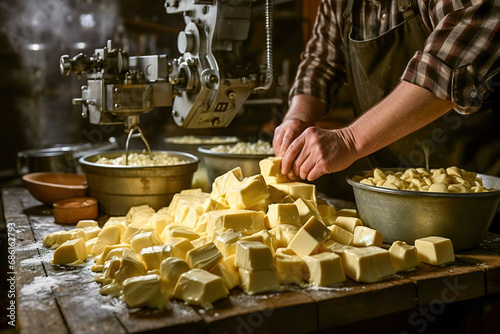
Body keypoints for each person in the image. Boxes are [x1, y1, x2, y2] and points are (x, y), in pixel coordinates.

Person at [273, 0, 500, 182]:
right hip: (395, 185)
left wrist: (349, 140)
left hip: (479, 186)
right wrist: (298, 115)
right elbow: (321, 63)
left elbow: (444, 73)